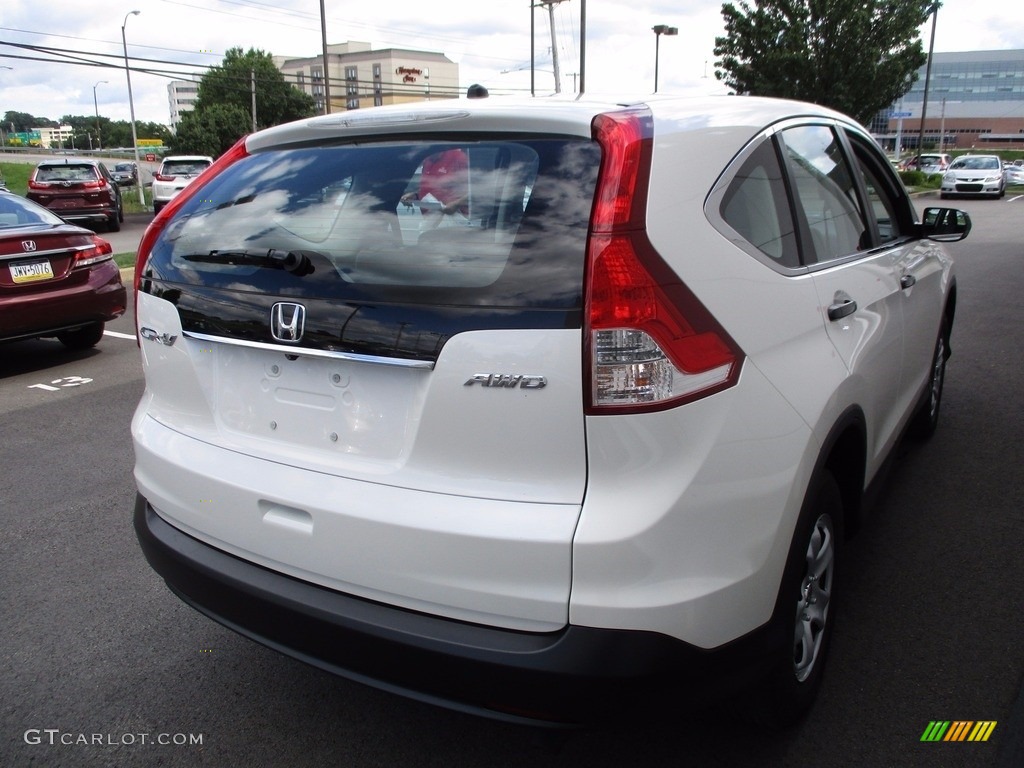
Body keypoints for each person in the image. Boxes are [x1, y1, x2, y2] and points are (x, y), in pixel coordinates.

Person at [402, 147, 469, 217]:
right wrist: (416, 195)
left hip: (456, 220)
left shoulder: (457, 157)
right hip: (430, 220)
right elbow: (432, 190)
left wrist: (456, 204)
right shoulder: (427, 160)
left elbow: (474, 189)